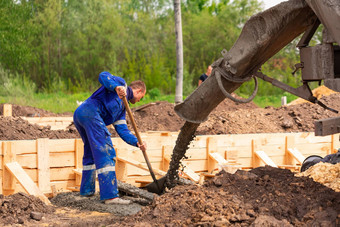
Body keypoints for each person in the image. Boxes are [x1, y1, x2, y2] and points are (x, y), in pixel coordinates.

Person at [73, 71, 147, 205]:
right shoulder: (120, 83)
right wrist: (116, 88)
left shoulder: (122, 109)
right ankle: (110, 196)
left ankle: (86, 192)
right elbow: (102, 75)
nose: (138, 101)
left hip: (81, 115)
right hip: (90, 112)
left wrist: (137, 143)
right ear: (139, 91)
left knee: (90, 152)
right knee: (106, 151)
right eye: (141, 97)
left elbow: (123, 131)